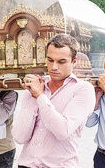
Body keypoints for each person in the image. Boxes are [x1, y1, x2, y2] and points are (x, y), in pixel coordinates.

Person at [12, 33, 95, 167]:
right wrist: (34, 96)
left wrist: (40, 96)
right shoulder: (36, 86)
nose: (54, 67)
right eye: (50, 60)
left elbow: (62, 131)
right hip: (26, 164)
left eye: (61, 62)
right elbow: (19, 137)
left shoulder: (83, 89)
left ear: (73, 61)